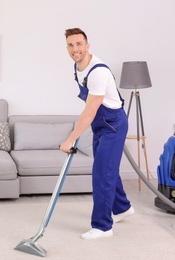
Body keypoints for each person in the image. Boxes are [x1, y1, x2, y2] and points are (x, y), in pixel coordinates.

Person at [60, 28, 134, 239]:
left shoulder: (98, 71)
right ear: (67, 48)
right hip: (101, 126)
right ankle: (122, 208)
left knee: (102, 174)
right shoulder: (77, 67)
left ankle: (102, 227)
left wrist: (71, 138)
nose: (75, 49)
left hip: (113, 124)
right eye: (71, 45)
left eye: (79, 44)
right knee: (106, 168)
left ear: (87, 45)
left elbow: (91, 110)